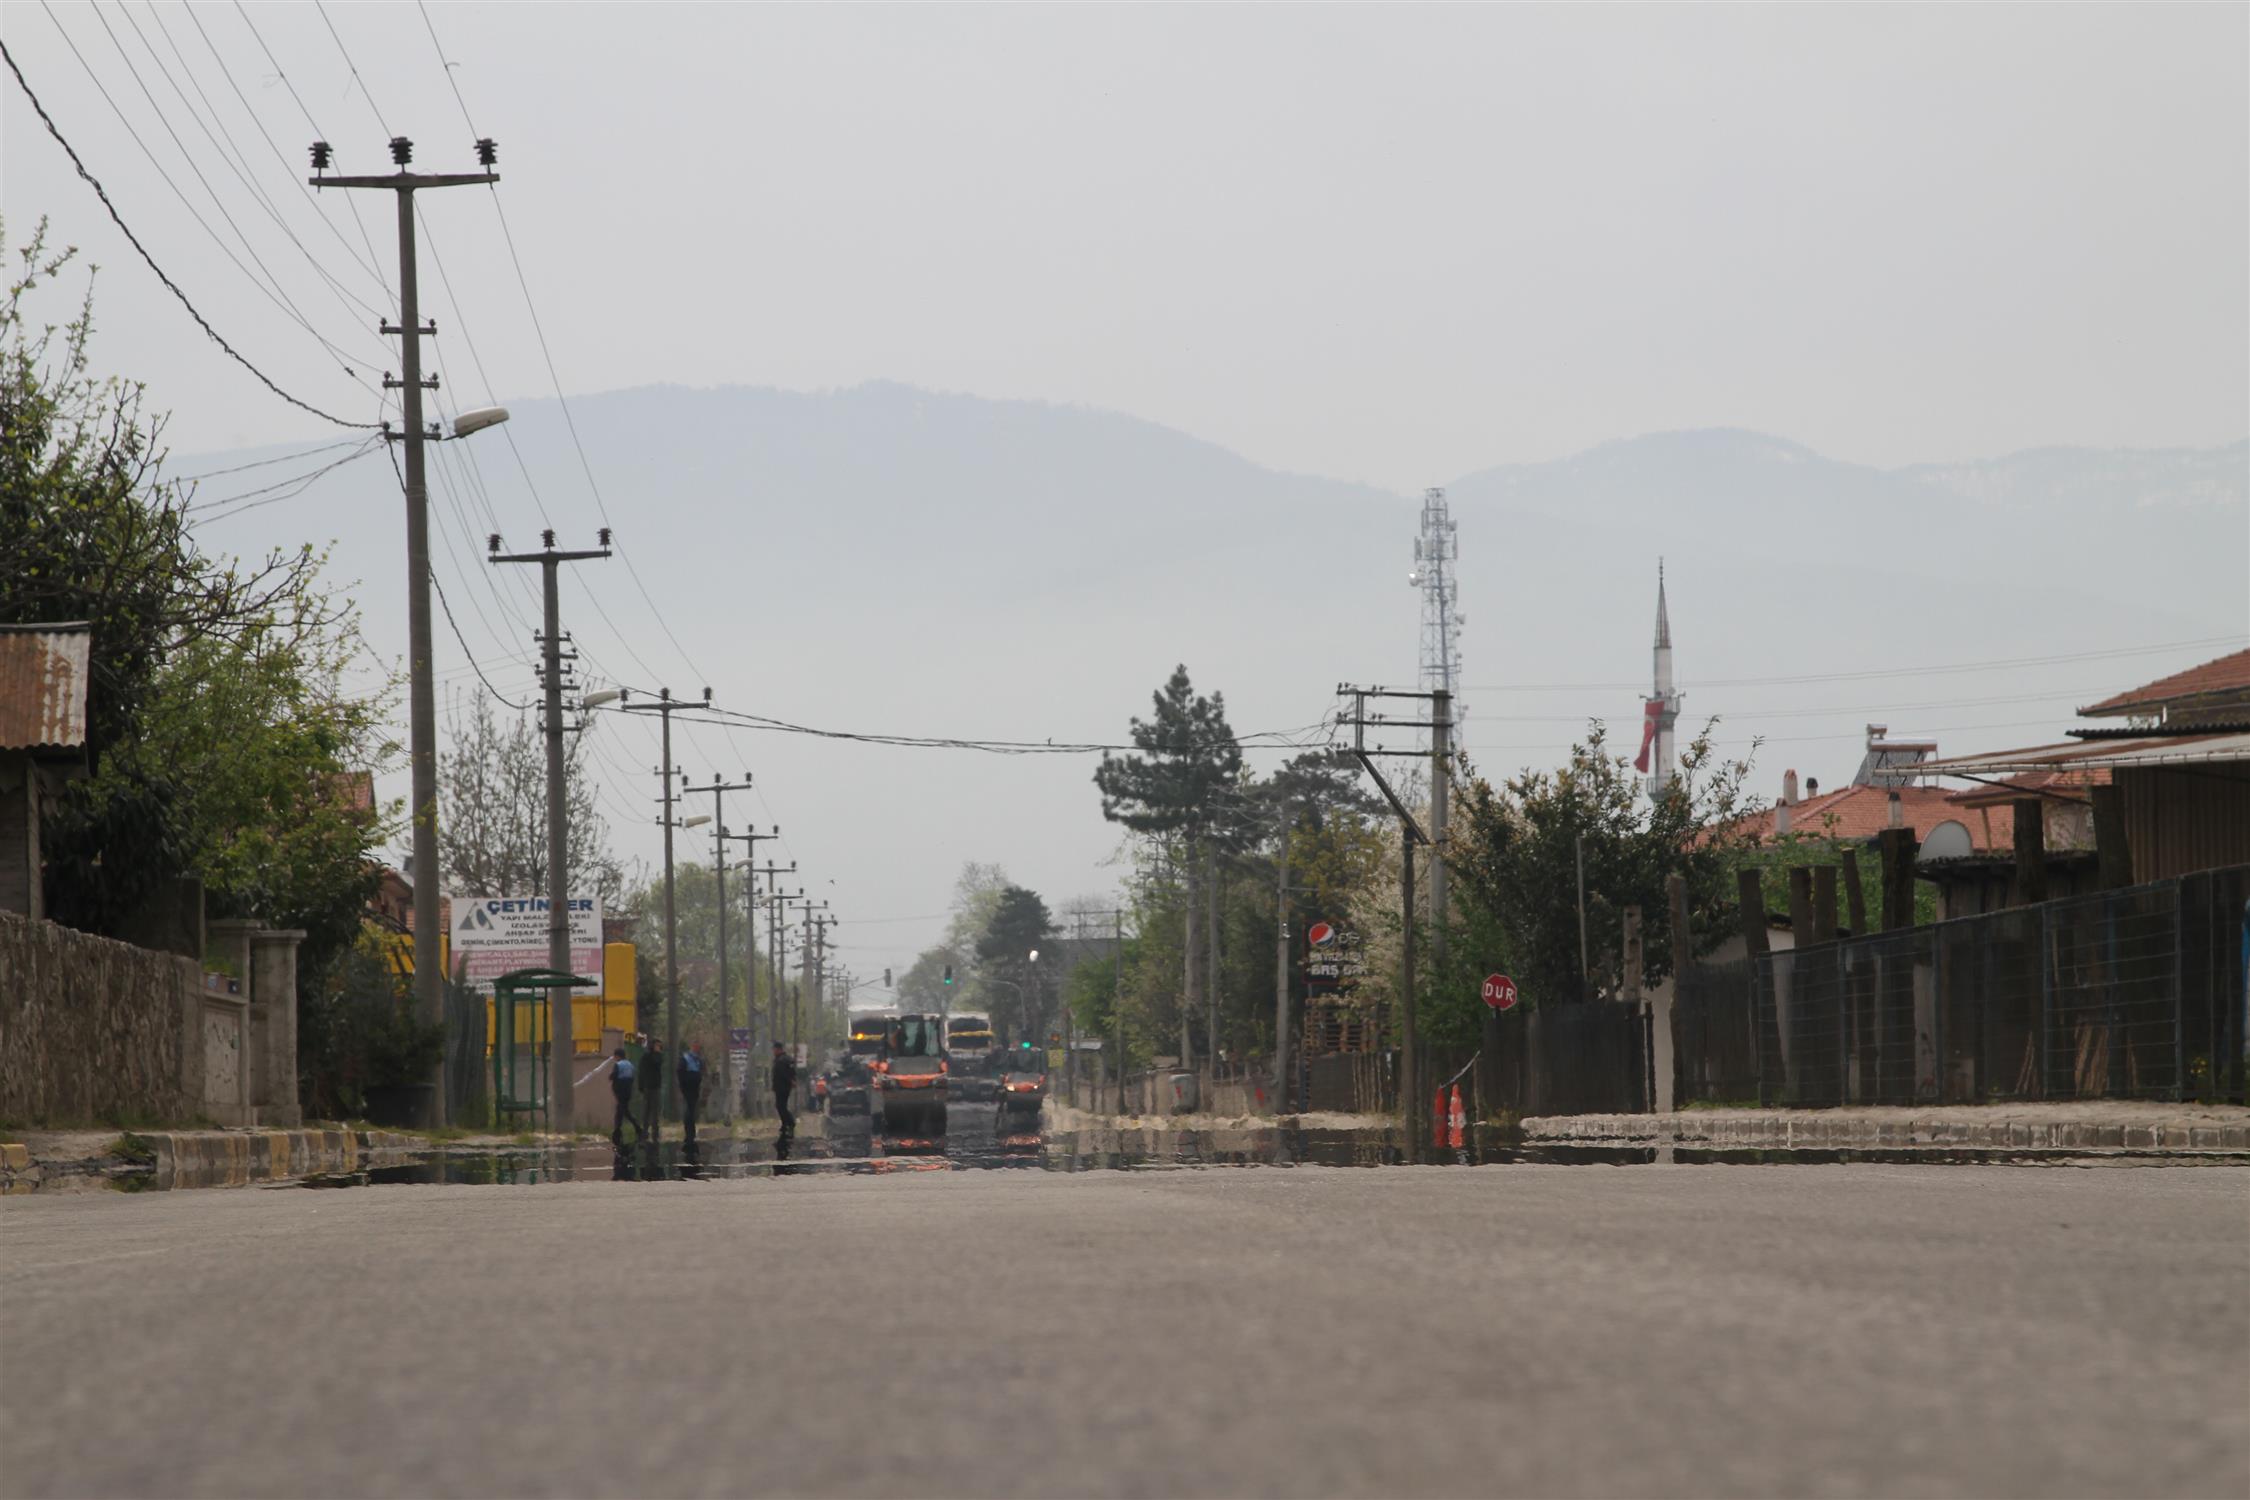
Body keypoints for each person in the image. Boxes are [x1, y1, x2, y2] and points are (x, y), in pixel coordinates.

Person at [607, 1047, 640, 1145]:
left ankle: (636, 1127)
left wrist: (610, 1077)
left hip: (620, 1089)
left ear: (617, 1056)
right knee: (621, 1109)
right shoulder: (630, 1065)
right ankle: (617, 1129)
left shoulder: (618, 1064)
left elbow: (614, 1075)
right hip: (628, 1089)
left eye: (615, 1056)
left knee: (623, 1109)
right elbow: (632, 1076)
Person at [676, 1042, 705, 1146]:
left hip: (695, 1085)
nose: (697, 1049)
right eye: (695, 1047)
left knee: (691, 1108)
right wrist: (683, 1085)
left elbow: (702, 1070)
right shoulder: (686, 1058)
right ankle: (689, 1133)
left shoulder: (698, 1059)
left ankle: (691, 1132)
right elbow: (680, 1072)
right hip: (688, 1085)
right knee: (689, 1108)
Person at [770, 1041, 798, 1141]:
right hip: (782, 1086)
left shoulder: (782, 1060)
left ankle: (790, 1122)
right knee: (781, 1105)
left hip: (782, 1087)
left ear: (778, 1049)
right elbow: (793, 1072)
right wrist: (793, 1080)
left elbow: (784, 1074)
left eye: (774, 1049)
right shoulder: (786, 1059)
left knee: (781, 1106)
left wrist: (791, 1081)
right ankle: (785, 1123)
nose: (773, 1051)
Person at [639, 1038, 665, 1144]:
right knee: (648, 1109)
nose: (659, 1048)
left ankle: (655, 1131)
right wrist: (641, 1085)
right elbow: (642, 1071)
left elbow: (658, 1062)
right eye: (657, 1046)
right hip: (649, 1086)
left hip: (655, 1086)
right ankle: (645, 1131)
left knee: (654, 1110)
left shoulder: (658, 1056)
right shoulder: (647, 1056)